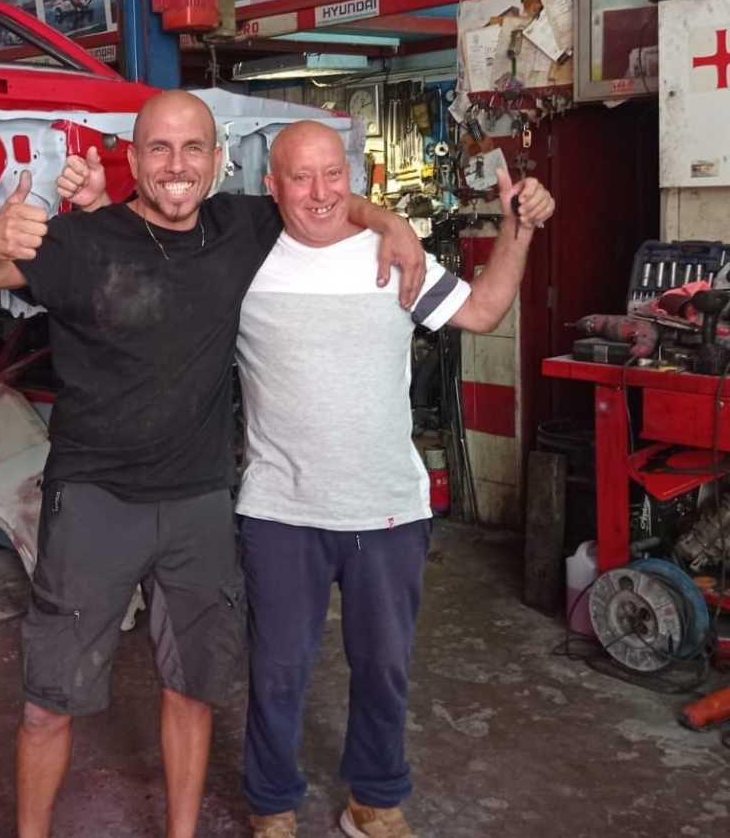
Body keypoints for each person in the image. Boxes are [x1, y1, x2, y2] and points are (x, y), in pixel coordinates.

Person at [0, 91, 426, 838]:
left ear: (217, 161)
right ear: (133, 161)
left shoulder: (242, 225)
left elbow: (323, 195)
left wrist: (391, 221)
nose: (176, 164)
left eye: (193, 147)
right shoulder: (81, 242)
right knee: (48, 702)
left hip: (199, 502)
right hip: (94, 500)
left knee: (192, 691)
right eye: (159, 149)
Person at [234, 121, 554, 838]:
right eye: (300, 177)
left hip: (386, 509)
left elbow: (483, 310)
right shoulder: (244, 262)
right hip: (282, 510)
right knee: (278, 671)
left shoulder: (393, 254)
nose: (319, 192)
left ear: (353, 177)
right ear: (271, 186)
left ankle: (374, 799)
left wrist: (518, 231)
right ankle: (272, 804)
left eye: (332, 174)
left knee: (383, 668)